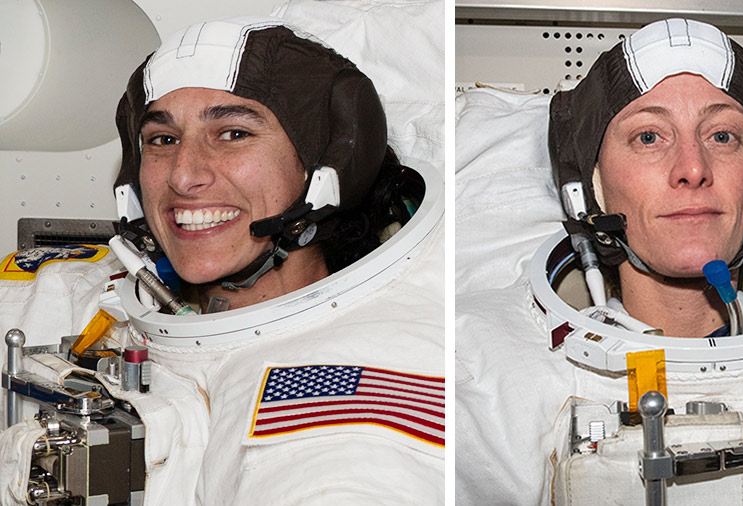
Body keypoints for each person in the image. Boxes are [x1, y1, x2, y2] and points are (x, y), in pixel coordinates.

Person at [0, 13, 443, 506]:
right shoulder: (53, 292)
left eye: (233, 134)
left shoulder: (370, 379)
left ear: (328, 165)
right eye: (163, 140)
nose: (184, 176)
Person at [456, 18, 743, 505]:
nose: (693, 168)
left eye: (722, 136)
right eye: (649, 137)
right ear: (589, 186)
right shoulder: (485, 374)